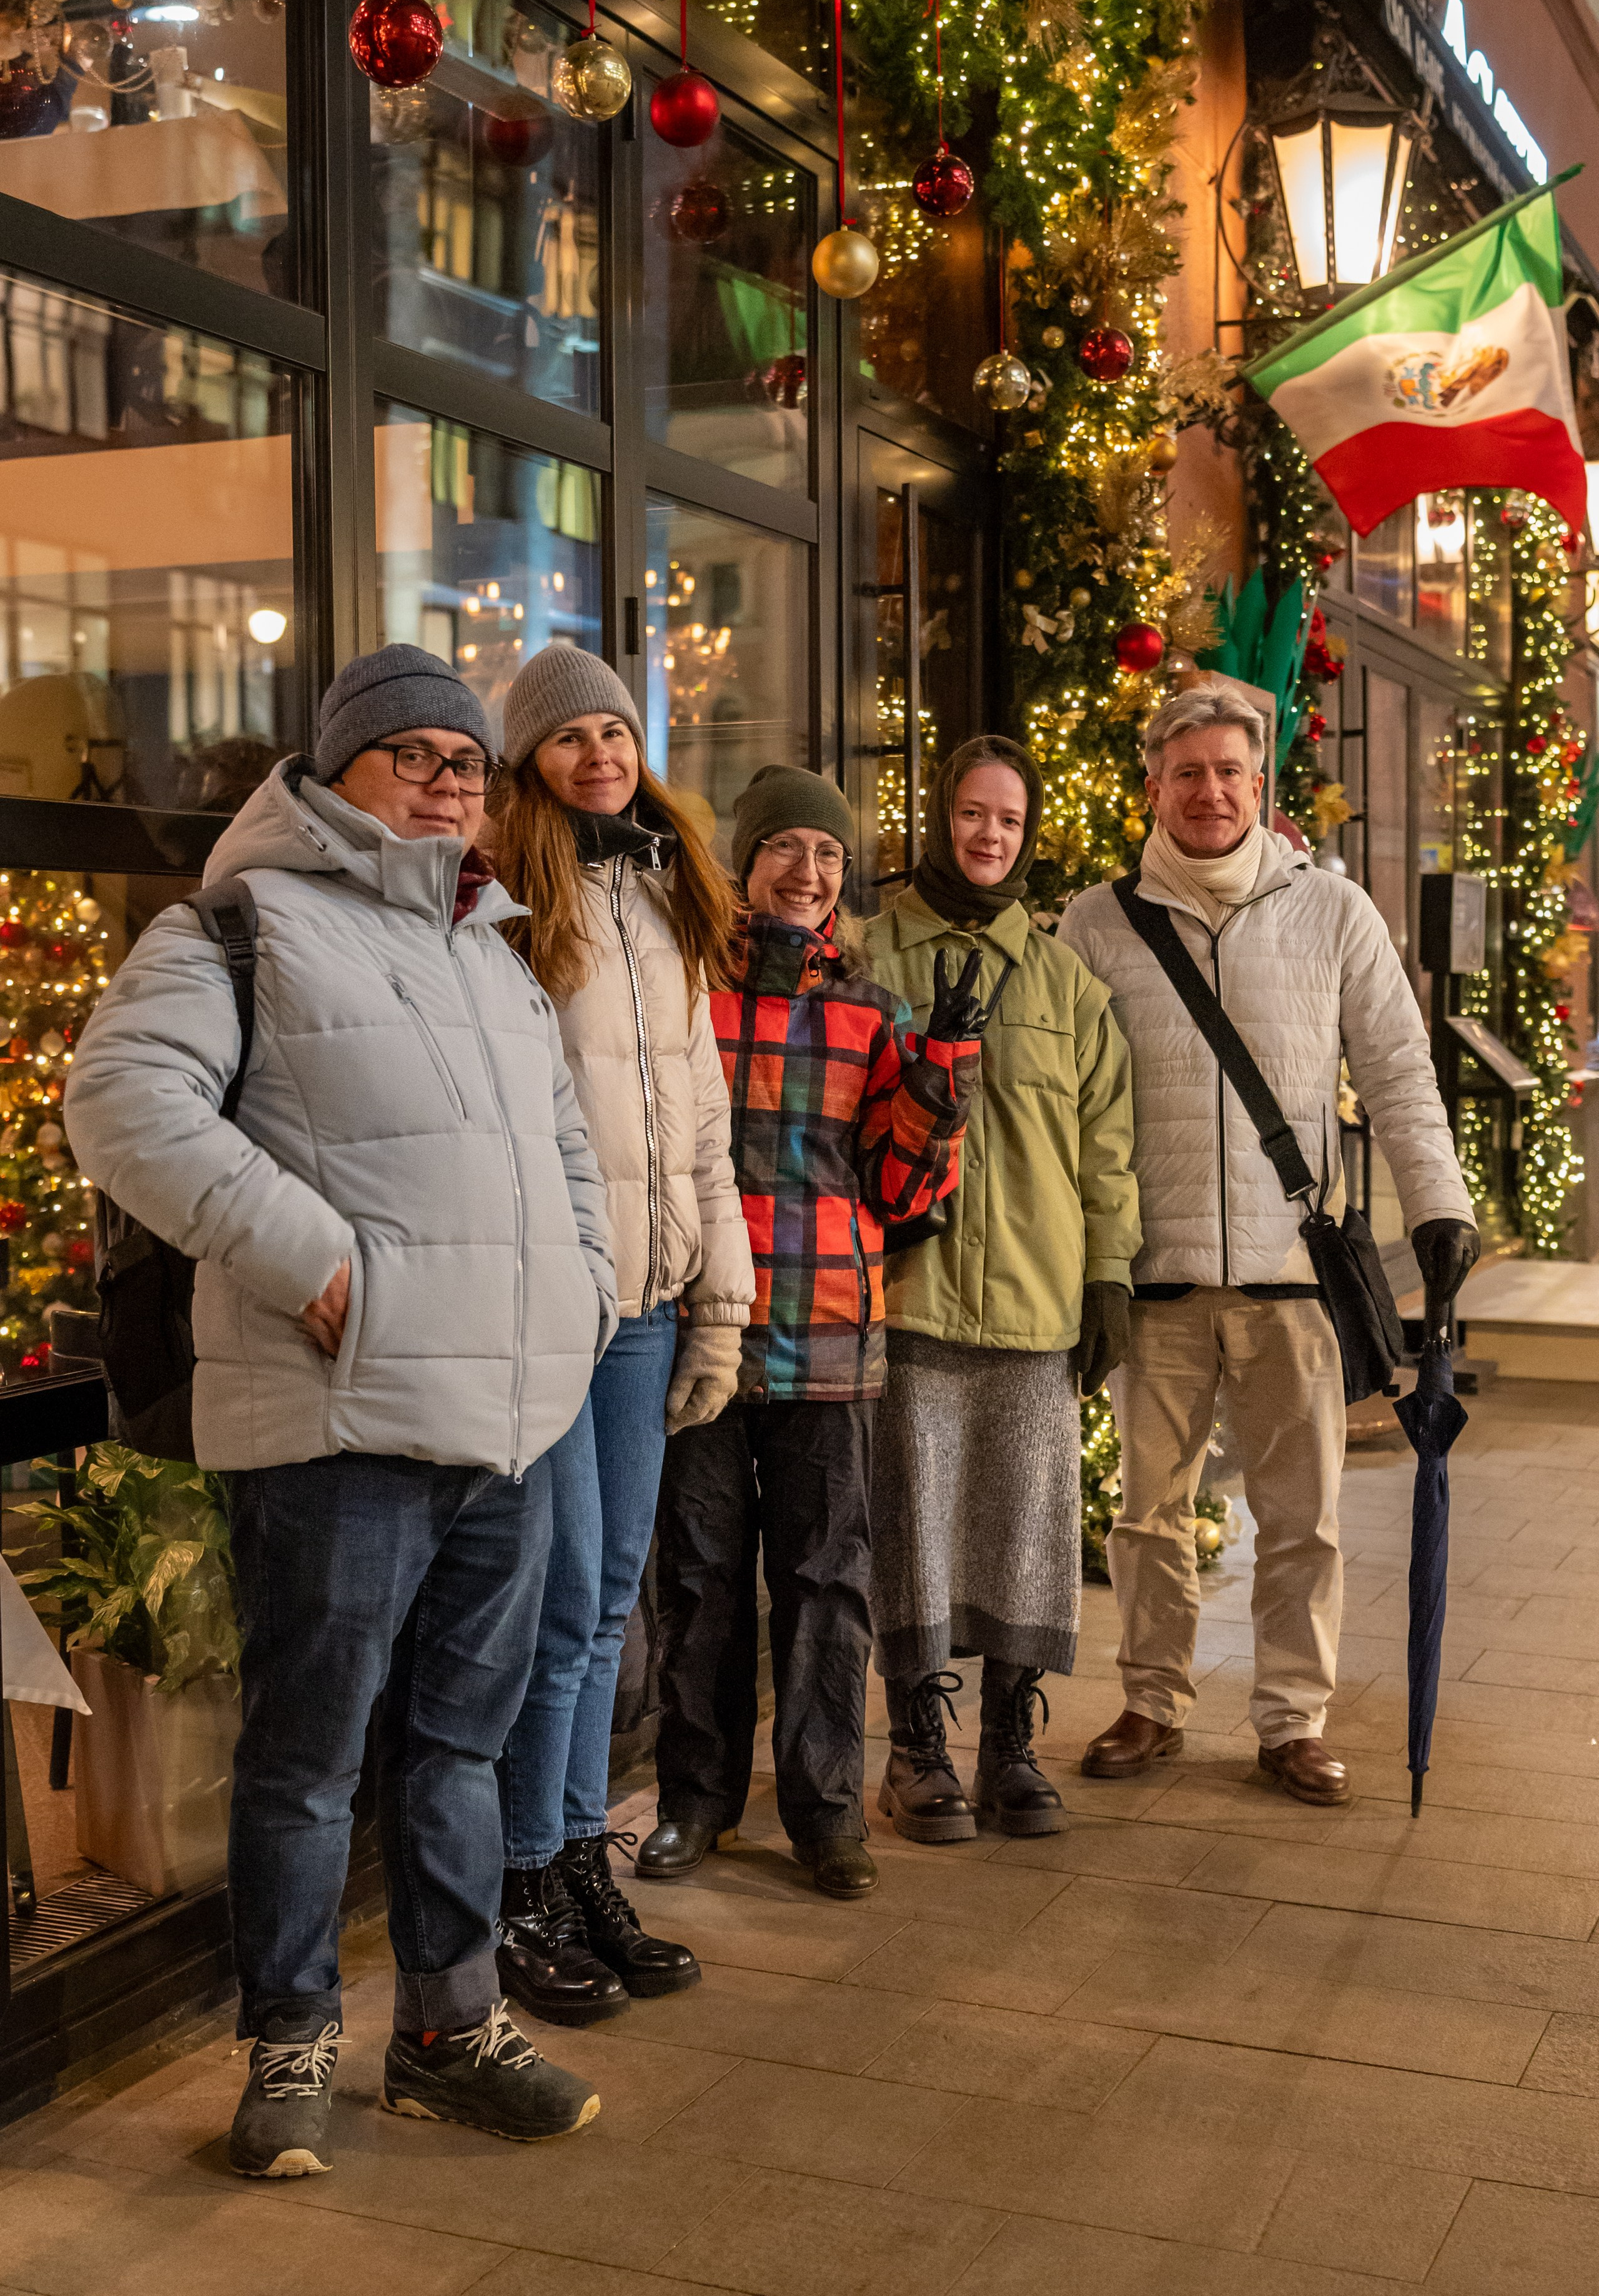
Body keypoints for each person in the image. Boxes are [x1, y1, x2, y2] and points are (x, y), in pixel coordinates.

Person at [64, 646, 619, 2179]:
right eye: (416, 755)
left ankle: (446, 2029)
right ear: (333, 773)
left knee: (458, 1748)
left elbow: (566, 1157)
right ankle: (288, 2039)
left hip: (505, 1425)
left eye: (465, 759)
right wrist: (309, 1256)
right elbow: (119, 1099)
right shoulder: (245, 923)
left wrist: (577, 1296)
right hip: (336, 1425)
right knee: (306, 1760)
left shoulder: (495, 949)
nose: (450, 780)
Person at [1062, 682, 1479, 1806]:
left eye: (1229, 773)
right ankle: (1153, 1698)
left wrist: (1439, 1203)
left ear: (1263, 787)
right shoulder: (1095, 924)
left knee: (1303, 1517)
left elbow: (1397, 1069)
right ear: (1153, 786)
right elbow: (1060, 1101)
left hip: (1293, 1270)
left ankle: (1294, 1718)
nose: (1209, 792)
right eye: (1187, 772)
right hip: (1152, 1277)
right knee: (1147, 1515)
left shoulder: (1331, 913)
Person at [638, 766, 990, 1897]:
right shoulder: (687, 989)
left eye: (830, 855)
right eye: (787, 848)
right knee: (699, 1582)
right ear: (746, 865)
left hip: (832, 1336)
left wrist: (941, 1071)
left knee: (825, 1581)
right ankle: (696, 1802)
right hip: (705, 1330)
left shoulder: (873, 1011)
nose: (809, 871)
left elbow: (899, 1187)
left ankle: (826, 1810)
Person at [489, 647, 754, 2027]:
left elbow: (699, 1116)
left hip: (649, 1302)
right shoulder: (506, 895)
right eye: (567, 734)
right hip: (554, 1307)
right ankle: (520, 1877)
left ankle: (577, 1857)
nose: (598, 752)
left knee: (605, 1604)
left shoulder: (662, 887)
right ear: (524, 757)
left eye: (614, 728)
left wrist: (722, 1286)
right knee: (557, 1598)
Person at [864, 737, 1139, 1842]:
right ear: (941, 819)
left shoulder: (1065, 980)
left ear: (1027, 837)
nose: (989, 836)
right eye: (973, 814)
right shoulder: (871, 950)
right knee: (914, 1530)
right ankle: (918, 1750)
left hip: (1035, 1304)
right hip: (910, 1302)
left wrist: (1108, 1277)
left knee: (1027, 1531)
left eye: (1009, 823)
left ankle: (1013, 1745)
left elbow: (1106, 1147)